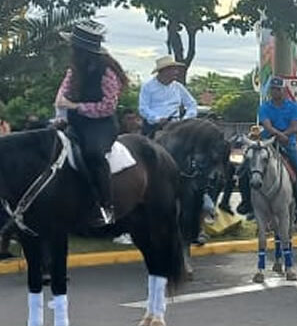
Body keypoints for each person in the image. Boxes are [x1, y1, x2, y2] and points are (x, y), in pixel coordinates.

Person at [54, 20, 128, 226]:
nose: (71, 50)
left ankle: (106, 206)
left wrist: (76, 106)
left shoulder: (107, 71)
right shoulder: (74, 69)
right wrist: (60, 115)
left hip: (101, 124)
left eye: (74, 47)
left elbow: (108, 106)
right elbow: (63, 95)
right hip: (76, 121)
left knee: (93, 154)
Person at [239, 77, 297, 220]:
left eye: (278, 89)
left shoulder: (293, 107)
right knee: (243, 170)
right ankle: (247, 203)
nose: (275, 92)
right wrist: (278, 135)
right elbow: (267, 125)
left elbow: (295, 126)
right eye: (273, 89)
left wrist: (285, 136)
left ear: (284, 91)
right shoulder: (264, 107)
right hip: (266, 142)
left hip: (288, 143)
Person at [138, 55, 197, 136]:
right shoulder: (148, 87)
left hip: (175, 126)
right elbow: (143, 108)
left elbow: (192, 103)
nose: (176, 72)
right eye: (173, 69)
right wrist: (157, 119)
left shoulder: (178, 87)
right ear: (163, 71)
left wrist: (186, 119)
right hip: (154, 127)